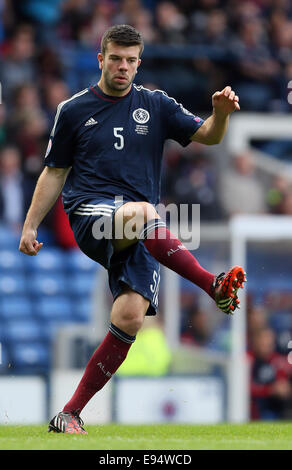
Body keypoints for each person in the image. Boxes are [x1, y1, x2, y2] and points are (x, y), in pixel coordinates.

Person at [19, 24, 246, 434]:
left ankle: (68, 414)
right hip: (91, 214)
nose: (123, 67)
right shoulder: (73, 109)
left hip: (142, 227)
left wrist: (222, 115)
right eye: (116, 59)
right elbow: (54, 172)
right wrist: (30, 225)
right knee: (143, 211)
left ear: (138, 63)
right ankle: (212, 285)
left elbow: (209, 137)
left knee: (129, 318)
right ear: (100, 58)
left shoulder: (155, 104)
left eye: (130, 61)